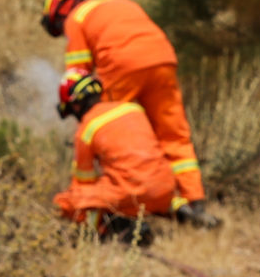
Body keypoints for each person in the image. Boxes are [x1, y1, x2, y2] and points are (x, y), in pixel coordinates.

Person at [41, 0, 211, 214]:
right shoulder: (121, 3)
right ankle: (194, 199)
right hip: (163, 60)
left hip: (122, 65)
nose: (64, 33)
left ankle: (128, 198)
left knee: (109, 127)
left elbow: (77, 77)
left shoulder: (77, 18)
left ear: (59, 15)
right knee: (174, 134)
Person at [51, 72, 178, 242]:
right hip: (166, 189)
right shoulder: (132, 108)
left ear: (75, 106)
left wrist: (79, 219)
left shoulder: (87, 129)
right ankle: (179, 209)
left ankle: (111, 231)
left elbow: (83, 183)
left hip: (133, 194)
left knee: (66, 201)